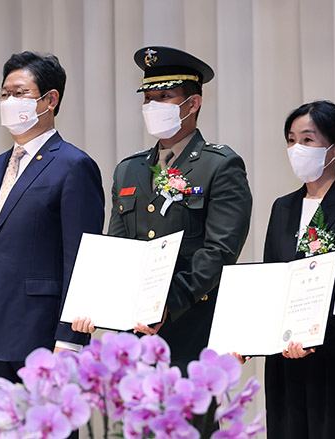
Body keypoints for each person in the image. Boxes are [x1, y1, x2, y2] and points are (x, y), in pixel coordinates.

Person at [76, 46, 253, 372]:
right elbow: (118, 249)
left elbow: (219, 250)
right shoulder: (128, 170)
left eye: (165, 96)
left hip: (191, 328)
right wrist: (96, 304)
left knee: (189, 423)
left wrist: (168, 305)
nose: (153, 106)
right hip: (133, 335)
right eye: (148, 99)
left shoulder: (220, 165)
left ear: (193, 103)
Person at [0, 51, 105, 388]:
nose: (10, 101)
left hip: (44, 338)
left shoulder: (73, 165)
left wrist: (70, 339)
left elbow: (81, 258)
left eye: (20, 93)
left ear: (50, 99)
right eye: (5, 93)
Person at [262, 100, 335, 438]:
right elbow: (273, 278)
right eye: (291, 139)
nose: (297, 148)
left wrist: (315, 335)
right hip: (286, 360)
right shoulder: (282, 207)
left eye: (308, 139)